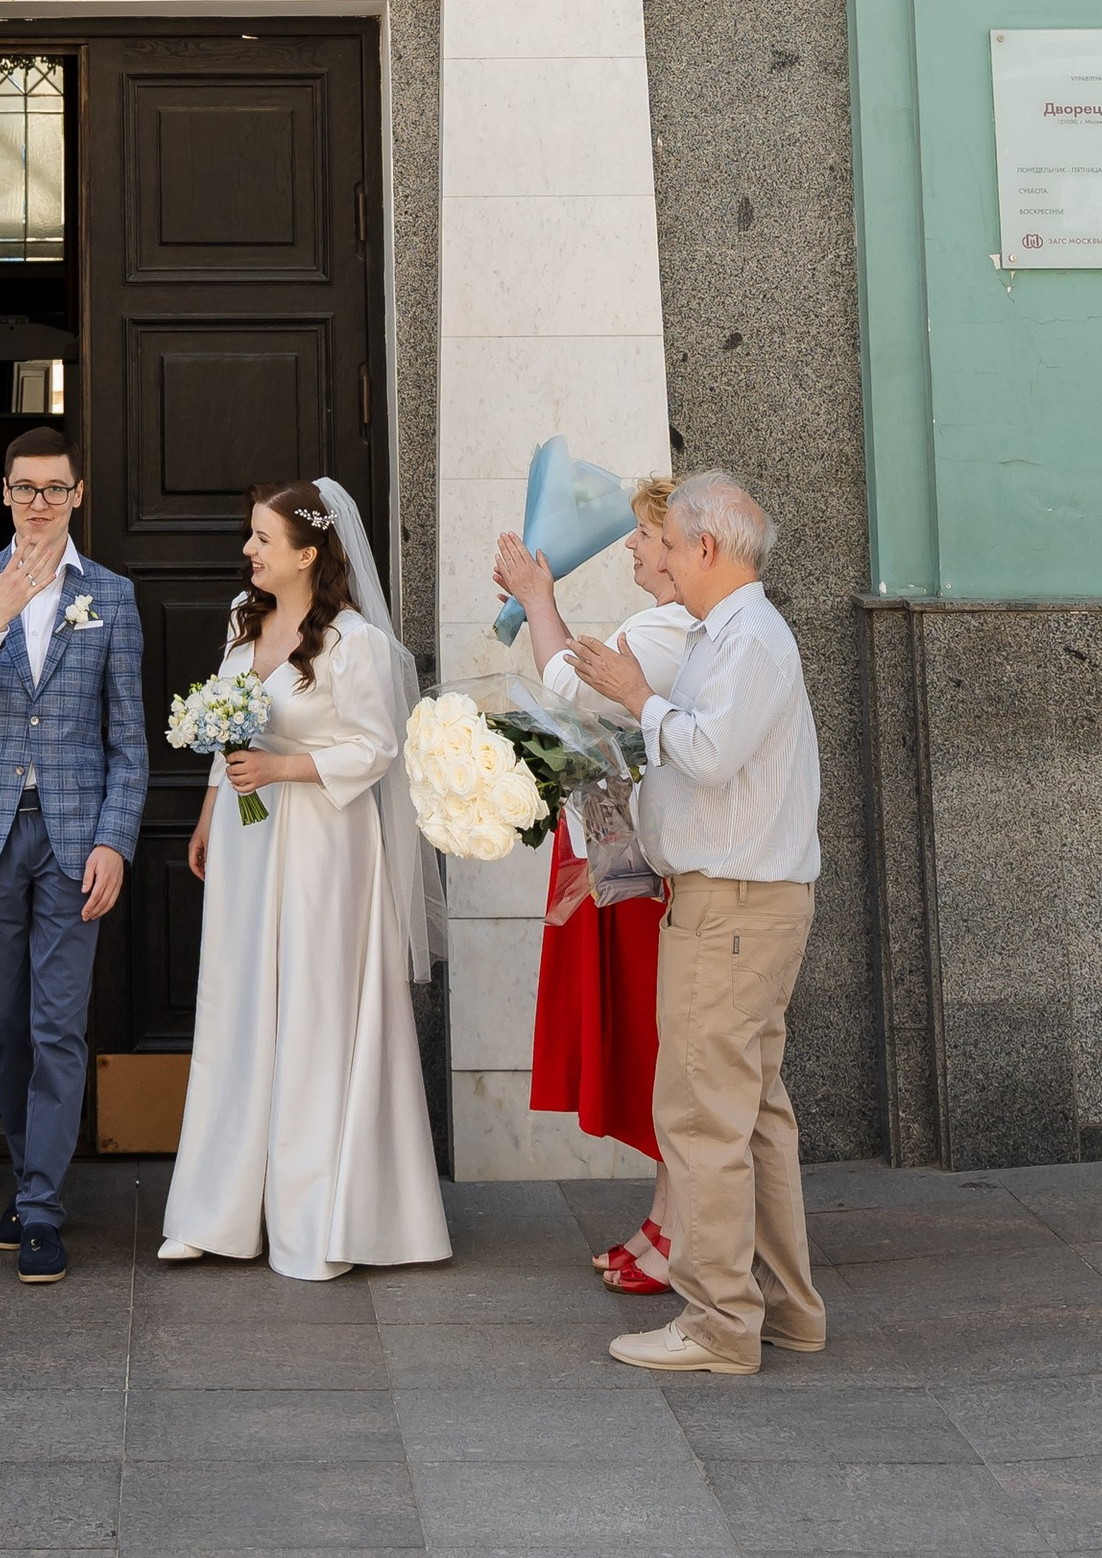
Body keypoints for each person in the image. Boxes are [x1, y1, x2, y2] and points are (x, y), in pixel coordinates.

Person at [564, 470, 825, 1380]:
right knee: (750, 1117)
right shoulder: (735, 634)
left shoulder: (749, 637)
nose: (660, 557)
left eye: (668, 543)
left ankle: (719, 1323)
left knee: (702, 1117)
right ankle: (785, 1310)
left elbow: (708, 754)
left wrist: (639, 697)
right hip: (741, 905)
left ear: (707, 548)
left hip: (734, 910)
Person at [159, 478, 450, 1285]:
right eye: (250, 537)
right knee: (240, 1002)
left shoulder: (356, 643)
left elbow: (377, 747)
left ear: (309, 554)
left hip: (326, 846)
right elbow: (226, 721)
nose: (248, 551)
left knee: (315, 1011)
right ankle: (215, 1209)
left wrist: (285, 767)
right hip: (252, 845)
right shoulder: (241, 621)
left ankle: (315, 1215)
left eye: (261, 539)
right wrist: (212, 812)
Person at [0, 420, 148, 1285]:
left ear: (78, 494)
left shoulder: (112, 598)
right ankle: (29, 1178)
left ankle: (42, 1209)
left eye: (56, 488)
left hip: (70, 840)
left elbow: (129, 742)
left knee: (58, 1024)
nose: (41, 504)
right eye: (26, 489)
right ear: (6, 495)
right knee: (4, 1022)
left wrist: (114, 842)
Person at [493, 477, 694, 1295]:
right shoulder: (670, 623)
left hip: (657, 871)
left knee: (666, 1055)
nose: (632, 548)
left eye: (645, 536)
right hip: (642, 854)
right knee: (666, 1057)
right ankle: (667, 1217)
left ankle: (683, 1231)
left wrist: (539, 596)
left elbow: (575, 697)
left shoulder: (669, 626)